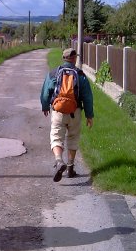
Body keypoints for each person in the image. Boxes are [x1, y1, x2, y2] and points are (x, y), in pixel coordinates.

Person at [40, 48, 94, 182]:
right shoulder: (80, 74)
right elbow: (87, 97)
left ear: (63, 58)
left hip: (58, 111)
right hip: (74, 111)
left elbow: (46, 92)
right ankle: (70, 167)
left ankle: (59, 161)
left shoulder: (53, 73)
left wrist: (45, 106)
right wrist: (89, 115)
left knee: (56, 136)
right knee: (73, 138)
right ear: (74, 58)